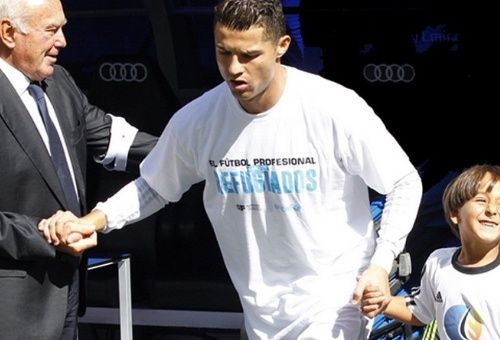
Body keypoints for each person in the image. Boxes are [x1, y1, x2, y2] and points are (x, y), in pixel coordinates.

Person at [40, 0, 423, 338]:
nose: (234, 69)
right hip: (259, 310)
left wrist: (379, 264)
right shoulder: (199, 119)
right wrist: (95, 220)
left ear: (282, 48)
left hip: (336, 301)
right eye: (224, 53)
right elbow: (155, 186)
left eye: (249, 55)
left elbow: (404, 182)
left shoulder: (334, 108)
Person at [0, 0, 157, 339]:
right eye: (51, 30)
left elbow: (109, 137)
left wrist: (191, 155)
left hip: (66, 296)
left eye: (63, 27)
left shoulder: (58, 84)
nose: (64, 41)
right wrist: (43, 236)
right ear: (8, 33)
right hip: (11, 308)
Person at [361, 164, 500, 339]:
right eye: (481, 200)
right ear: (455, 213)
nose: (492, 210)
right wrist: (383, 303)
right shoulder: (438, 262)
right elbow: (420, 310)